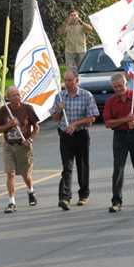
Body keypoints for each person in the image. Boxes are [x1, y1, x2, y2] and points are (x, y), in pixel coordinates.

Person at [50, 69, 99, 210]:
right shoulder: (60, 96)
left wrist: (75, 124)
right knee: (67, 166)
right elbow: (54, 118)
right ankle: (64, 197)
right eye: (65, 80)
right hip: (65, 135)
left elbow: (92, 117)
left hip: (81, 134)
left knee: (82, 165)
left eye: (70, 80)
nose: (67, 83)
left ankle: (83, 194)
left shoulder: (86, 95)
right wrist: (59, 110)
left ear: (77, 80)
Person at [104, 73, 134, 212]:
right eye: (115, 87)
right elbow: (108, 123)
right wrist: (125, 119)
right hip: (120, 136)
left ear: (126, 84)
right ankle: (116, 201)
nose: (118, 89)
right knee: (118, 168)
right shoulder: (111, 102)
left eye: (120, 86)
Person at [0, 86, 40, 214]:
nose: (17, 97)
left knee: (25, 174)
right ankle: (11, 202)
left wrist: (30, 139)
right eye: (14, 95)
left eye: (18, 94)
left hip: (23, 146)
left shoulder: (27, 108)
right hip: (9, 146)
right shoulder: (4, 110)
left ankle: (31, 190)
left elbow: (36, 127)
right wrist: (9, 125)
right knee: (10, 173)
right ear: (8, 98)